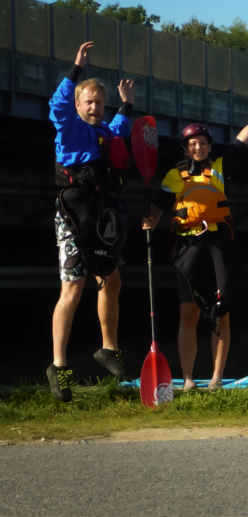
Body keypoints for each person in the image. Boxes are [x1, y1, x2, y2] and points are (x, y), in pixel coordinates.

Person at [142, 98, 248, 390]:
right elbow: (159, 206)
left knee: (221, 313)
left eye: (202, 143)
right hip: (188, 248)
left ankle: (216, 377)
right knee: (188, 313)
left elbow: (241, 141)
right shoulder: (173, 176)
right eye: (192, 144)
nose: (198, 148)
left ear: (209, 145)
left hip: (219, 245)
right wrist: (150, 220)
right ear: (184, 148)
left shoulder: (220, 167)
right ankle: (189, 378)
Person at [46, 41, 135, 402]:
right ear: (79, 106)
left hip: (101, 213)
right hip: (72, 212)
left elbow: (122, 126)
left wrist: (126, 102)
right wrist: (76, 68)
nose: (96, 107)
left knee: (111, 279)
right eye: (90, 102)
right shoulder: (69, 128)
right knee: (74, 287)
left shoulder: (106, 133)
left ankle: (108, 349)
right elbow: (57, 106)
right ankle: (58, 366)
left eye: (100, 102)